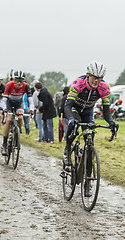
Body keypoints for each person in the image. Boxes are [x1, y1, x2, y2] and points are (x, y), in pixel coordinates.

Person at [63, 61, 119, 197]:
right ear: (88, 75)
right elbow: (68, 105)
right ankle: (68, 148)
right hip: (75, 109)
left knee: (90, 143)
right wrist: (70, 118)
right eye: (94, 77)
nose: (96, 81)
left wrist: (111, 121)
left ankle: (87, 182)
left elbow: (106, 111)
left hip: (88, 112)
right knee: (74, 124)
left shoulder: (104, 88)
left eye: (99, 78)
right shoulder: (78, 83)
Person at [0, 70, 34, 156]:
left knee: (20, 117)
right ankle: (4, 144)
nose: (19, 82)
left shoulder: (26, 86)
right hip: (9, 103)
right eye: (18, 80)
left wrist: (32, 110)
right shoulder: (9, 85)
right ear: (14, 80)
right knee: (9, 119)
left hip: (19, 103)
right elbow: (4, 99)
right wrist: (4, 109)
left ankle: (17, 134)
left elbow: (31, 101)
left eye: (22, 80)